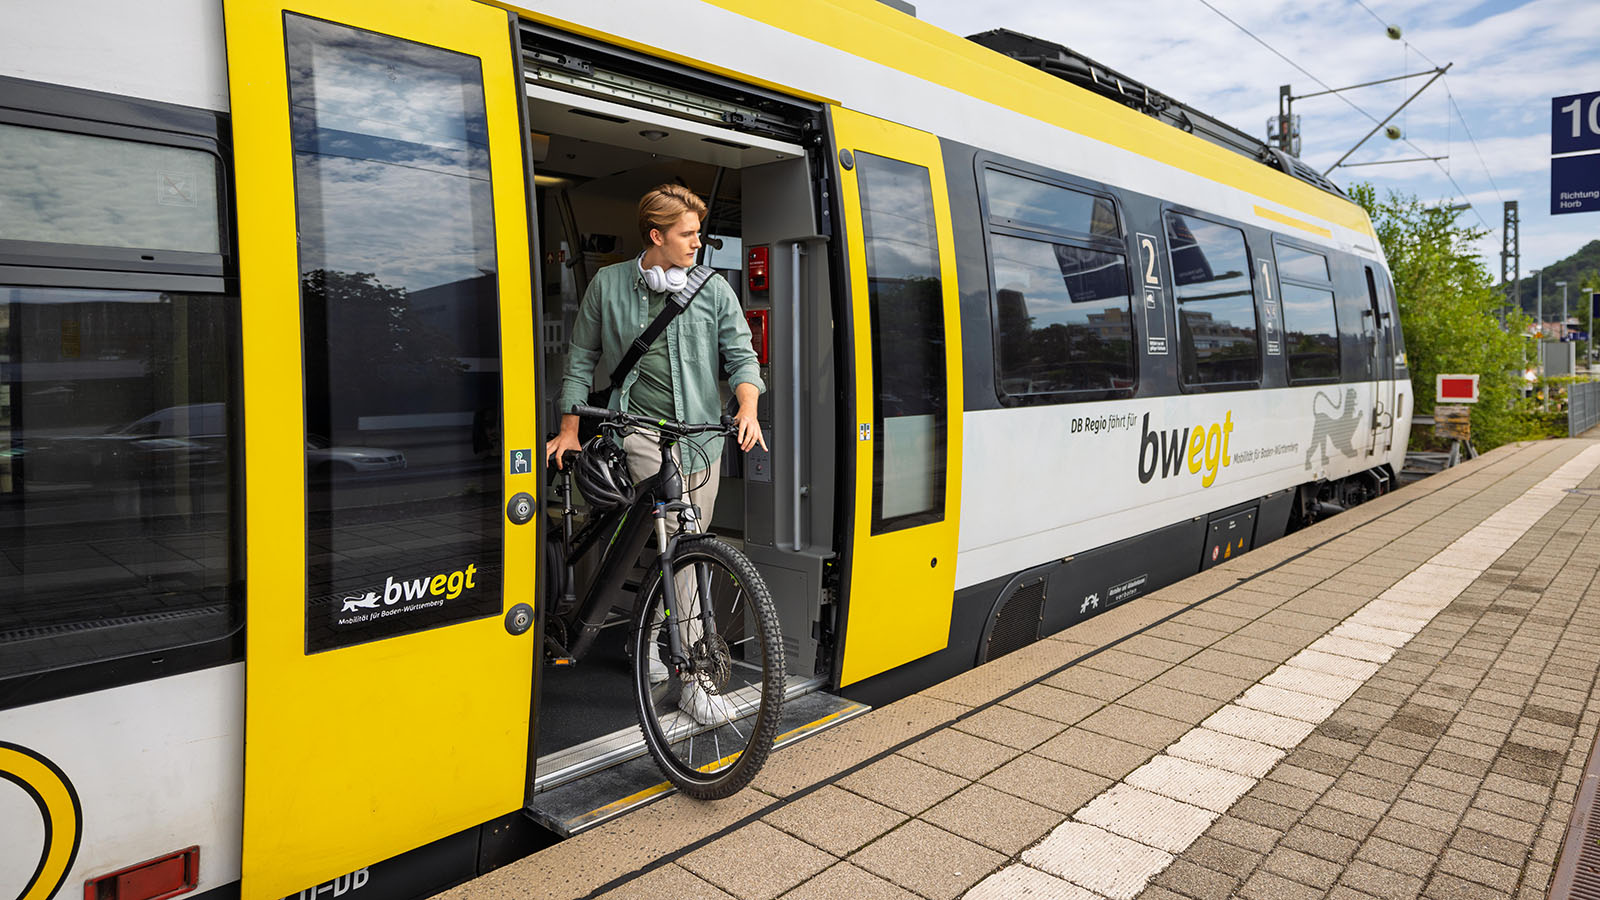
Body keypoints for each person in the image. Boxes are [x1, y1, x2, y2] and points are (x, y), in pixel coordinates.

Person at [545, 183, 767, 725]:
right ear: (656, 236)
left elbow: (742, 356)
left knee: (674, 546)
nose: (698, 243)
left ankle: (644, 640)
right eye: (688, 234)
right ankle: (693, 680)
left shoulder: (713, 290)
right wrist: (570, 430)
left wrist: (748, 407)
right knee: (685, 548)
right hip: (637, 435)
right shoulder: (608, 285)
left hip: (701, 440)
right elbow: (580, 359)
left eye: (698, 233)